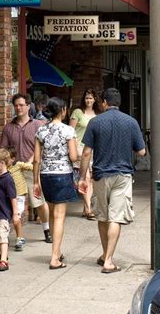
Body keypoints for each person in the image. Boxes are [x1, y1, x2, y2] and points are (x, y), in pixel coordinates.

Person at [78, 88, 145, 274]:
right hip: (122, 176)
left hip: (100, 176)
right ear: (119, 103)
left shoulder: (95, 122)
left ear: (104, 103)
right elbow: (141, 152)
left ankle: (104, 254)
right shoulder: (131, 122)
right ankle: (108, 260)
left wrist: (82, 177)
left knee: (103, 216)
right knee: (116, 218)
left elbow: (86, 152)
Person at [1, 93, 52, 243]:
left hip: (32, 169)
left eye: (21, 105)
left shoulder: (38, 125)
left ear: (28, 106)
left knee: (39, 201)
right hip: (14, 171)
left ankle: (47, 230)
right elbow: (3, 150)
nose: (18, 108)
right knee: (14, 204)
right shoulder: (8, 128)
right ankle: (11, 236)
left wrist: (31, 161)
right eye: (16, 105)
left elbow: (43, 147)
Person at [33, 98, 78, 269]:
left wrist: (35, 182)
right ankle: (54, 258)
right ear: (63, 110)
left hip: (45, 175)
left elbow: (36, 159)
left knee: (52, 215)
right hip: (62, 174)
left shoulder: (41, 130)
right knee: (59, 217)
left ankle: (57, 251)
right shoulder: (68, 130)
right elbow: (73, 157)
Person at [69, 88, 101, 220]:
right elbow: (70, 131)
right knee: (86, 177)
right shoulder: (77, 112)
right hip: (79, 149)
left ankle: (85, 208)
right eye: (87, 98)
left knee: (91, 179)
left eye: (91, 98)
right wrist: (73, 150)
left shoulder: (98, 114)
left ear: (95, 100)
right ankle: (89, 209)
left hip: (93, 149)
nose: (88, 100)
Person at [7, 146, 33, 251]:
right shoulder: (3, 170)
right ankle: (4, 239)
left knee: (16, 218)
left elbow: (30, 167)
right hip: (8, 196)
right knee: (8, 218)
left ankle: (20, 238)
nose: (4, 161)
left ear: (13, 158)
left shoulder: (18, 165)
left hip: (19, 196)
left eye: (7, 158)